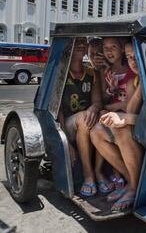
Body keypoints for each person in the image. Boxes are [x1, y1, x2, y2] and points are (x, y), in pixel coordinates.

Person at [91, 41, 143, 213]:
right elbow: (130, 109)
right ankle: (129, 181)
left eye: (136, 57)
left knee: (121, 128)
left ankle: (135, 186)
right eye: (129, 58)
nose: (133, 62)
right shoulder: (135, 80)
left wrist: (124, 118)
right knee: (96, 132)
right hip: (138, 126)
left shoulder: (144, 77)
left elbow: (136, 114)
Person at [57, 37, 102, 197]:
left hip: (86, 121)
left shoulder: (91, 72)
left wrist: (93, 108)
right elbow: (58, 110)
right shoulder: (61, 72)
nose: (81, 44)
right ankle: (88, 176)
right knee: (84, 119)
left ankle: (101, 175)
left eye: (84, 41)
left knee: (100, 118)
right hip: (67, 125)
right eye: (77, 41)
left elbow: (97, 101)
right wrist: (65, 142)